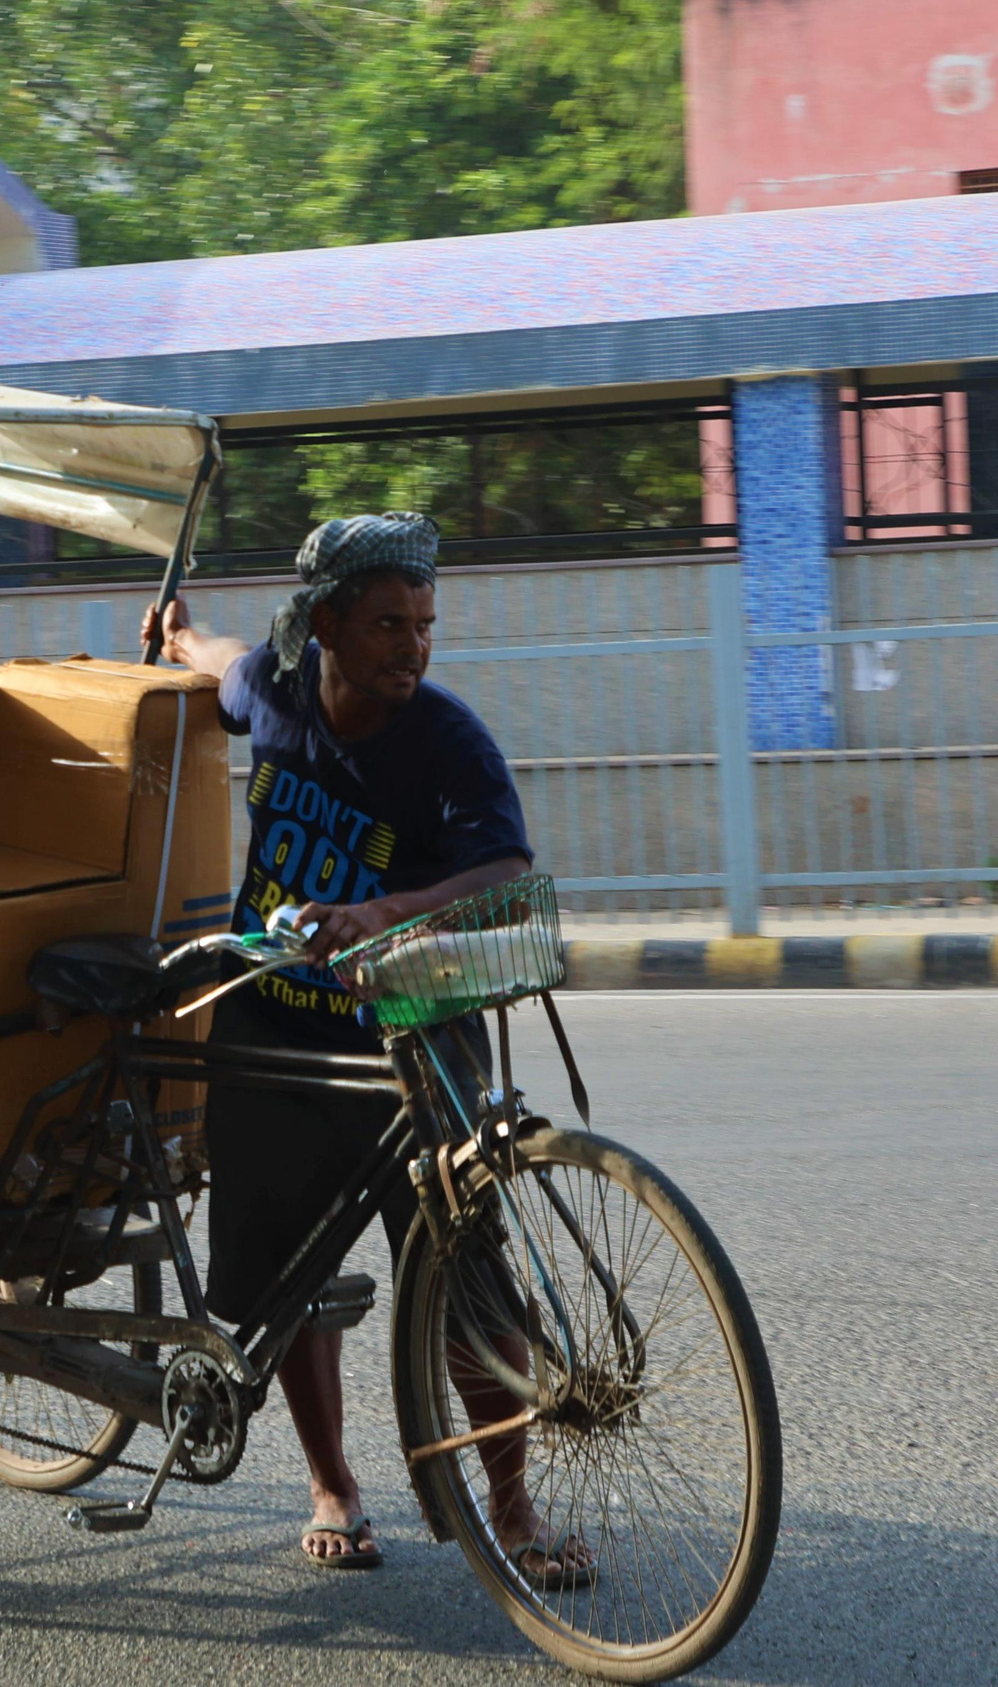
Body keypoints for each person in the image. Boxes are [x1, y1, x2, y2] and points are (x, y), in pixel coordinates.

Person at [143, 512, 592, 1584]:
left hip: (416, 1042)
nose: (413, 645)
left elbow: (501, 872)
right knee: (282, 1275)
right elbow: (220, 671)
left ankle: (513, 1507)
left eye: (425, 625)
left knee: (469, 1272)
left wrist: (391, 908)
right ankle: (333, 1485)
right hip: (274, 1034)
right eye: (389, 623)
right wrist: (181, 638)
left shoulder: (447, 741)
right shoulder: (280, 691)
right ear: (329, 624)